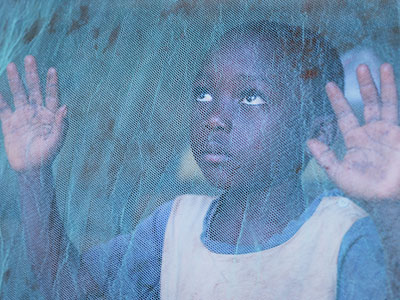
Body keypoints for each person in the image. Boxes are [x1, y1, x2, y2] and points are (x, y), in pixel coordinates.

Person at [0, 20, 399, 299]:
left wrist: (388, 209)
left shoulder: (343, 234)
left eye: (251, 97)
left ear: (317, 133)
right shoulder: (172, 228)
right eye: (204, 94)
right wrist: (34, 174)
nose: (214, 117)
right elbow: (72, 290)